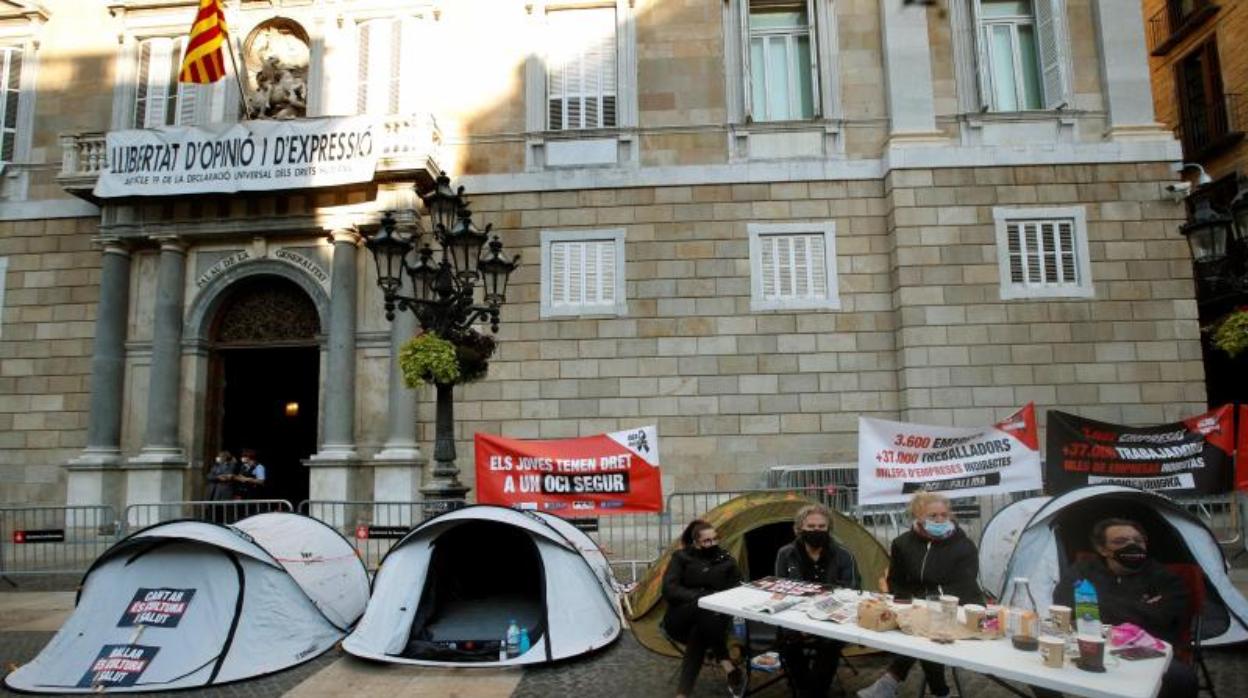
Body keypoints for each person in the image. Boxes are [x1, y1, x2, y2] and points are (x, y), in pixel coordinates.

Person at [1047, 518, 1197, 698]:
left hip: (1144, 650)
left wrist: (1095, 604)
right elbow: (1064, 605)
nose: (1132, 545)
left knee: (1182, 677)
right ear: (1102, 549)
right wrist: (1140, 608)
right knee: (1043, 663)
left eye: (1138, 541)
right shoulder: (1082, 570)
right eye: (1120, 542)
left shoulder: (1165, 577)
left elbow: (1164, 618)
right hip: (1088, 644)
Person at [858, 491, 982, 698]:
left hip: (953, 608)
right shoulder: (902, 543)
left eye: (944, 515)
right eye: (933, 516)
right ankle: (938, 692)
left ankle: (892, 682)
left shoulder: (964, 546)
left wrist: (928, 601)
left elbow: (964, 585)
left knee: (924, 634)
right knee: (919, 632)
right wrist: (909, 602)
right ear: (918, 516)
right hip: (913, 607)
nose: (940, 520)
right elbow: (896, 580)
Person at [774, 503, 861, 698]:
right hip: (795, 616)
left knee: (830, 643)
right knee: (788, 640)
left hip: (832, 616)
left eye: (821, 527)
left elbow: (853, 591)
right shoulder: (785, 554)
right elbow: (781, 589)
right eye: (811, 527)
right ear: (799, 529)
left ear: (828, 528)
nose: (816, 531)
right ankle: (809, 689)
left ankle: (811, 693)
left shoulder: (844, 555)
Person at [662, 518, 744, 698]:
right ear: (697, 543)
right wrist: (700, 597)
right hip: (680, 618)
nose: (713, 543)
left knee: (699, 632)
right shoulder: (681, 558)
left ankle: (682, 694)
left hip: (714, 622)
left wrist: (714, 600)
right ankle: (727, 663)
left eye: (715, 539)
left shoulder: (726, 560)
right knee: (704, 606)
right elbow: (669, 589)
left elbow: (737, 589)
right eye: (707, 541)